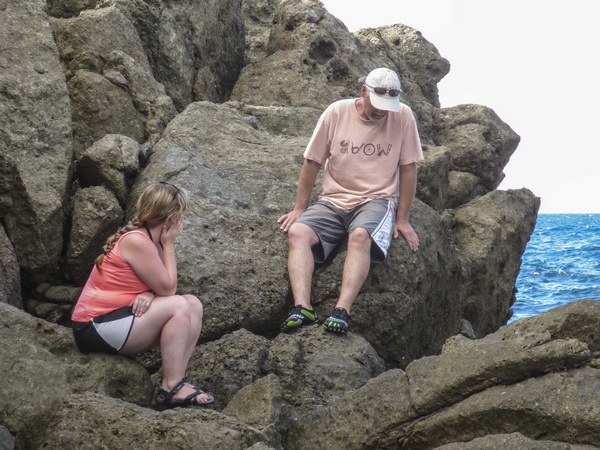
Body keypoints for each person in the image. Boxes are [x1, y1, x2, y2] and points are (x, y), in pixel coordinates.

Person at [277, 67, 424, 334]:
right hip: (333, 199)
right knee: (298, 232)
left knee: (359, 235)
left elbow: (409, 168)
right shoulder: (337, 112)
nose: (382, 111)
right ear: (363, 90)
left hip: (377, 199)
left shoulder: (403, 116)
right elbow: (312, 161)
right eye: (377, 103)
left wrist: (402, 219)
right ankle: (303, 308)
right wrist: (300, 208)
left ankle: (342, 310)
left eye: (388, 105)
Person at [71, 181, 214, 407]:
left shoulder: (151, 241)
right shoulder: (137, 240)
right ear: (172, 218)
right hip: (93, 327)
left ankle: (176, 382)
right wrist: (170, 244)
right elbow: (168, 289)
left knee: (193, 304)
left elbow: (157, 286)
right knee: (179, 305)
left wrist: (149, 293)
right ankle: (172, 385)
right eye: (181, 215)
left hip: (118, 319)